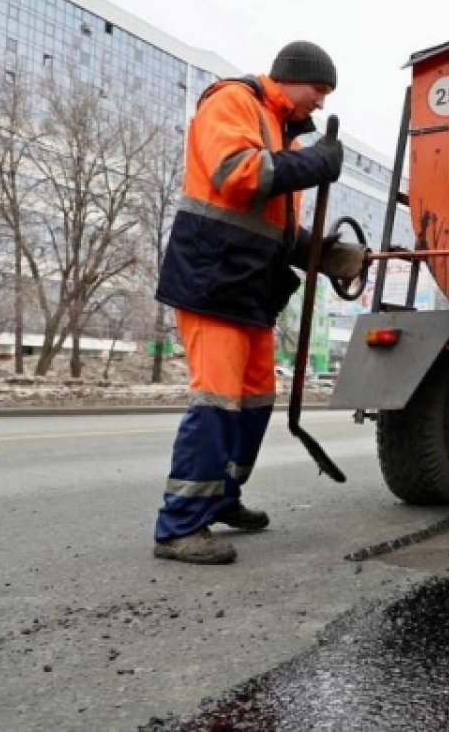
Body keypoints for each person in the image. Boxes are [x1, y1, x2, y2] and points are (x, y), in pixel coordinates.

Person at [152, 41, 365, 565]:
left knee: (253, 402)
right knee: (217, 402)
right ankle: (179, 527)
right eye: (318, 89)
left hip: (249, 289)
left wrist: (325, 255)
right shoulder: (233, 102)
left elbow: (270, 229)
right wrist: (316, 163)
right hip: (212, 282)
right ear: (291, 78)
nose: (320, 101)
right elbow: (237, 175)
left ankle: (221, 497)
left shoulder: (281, 132)